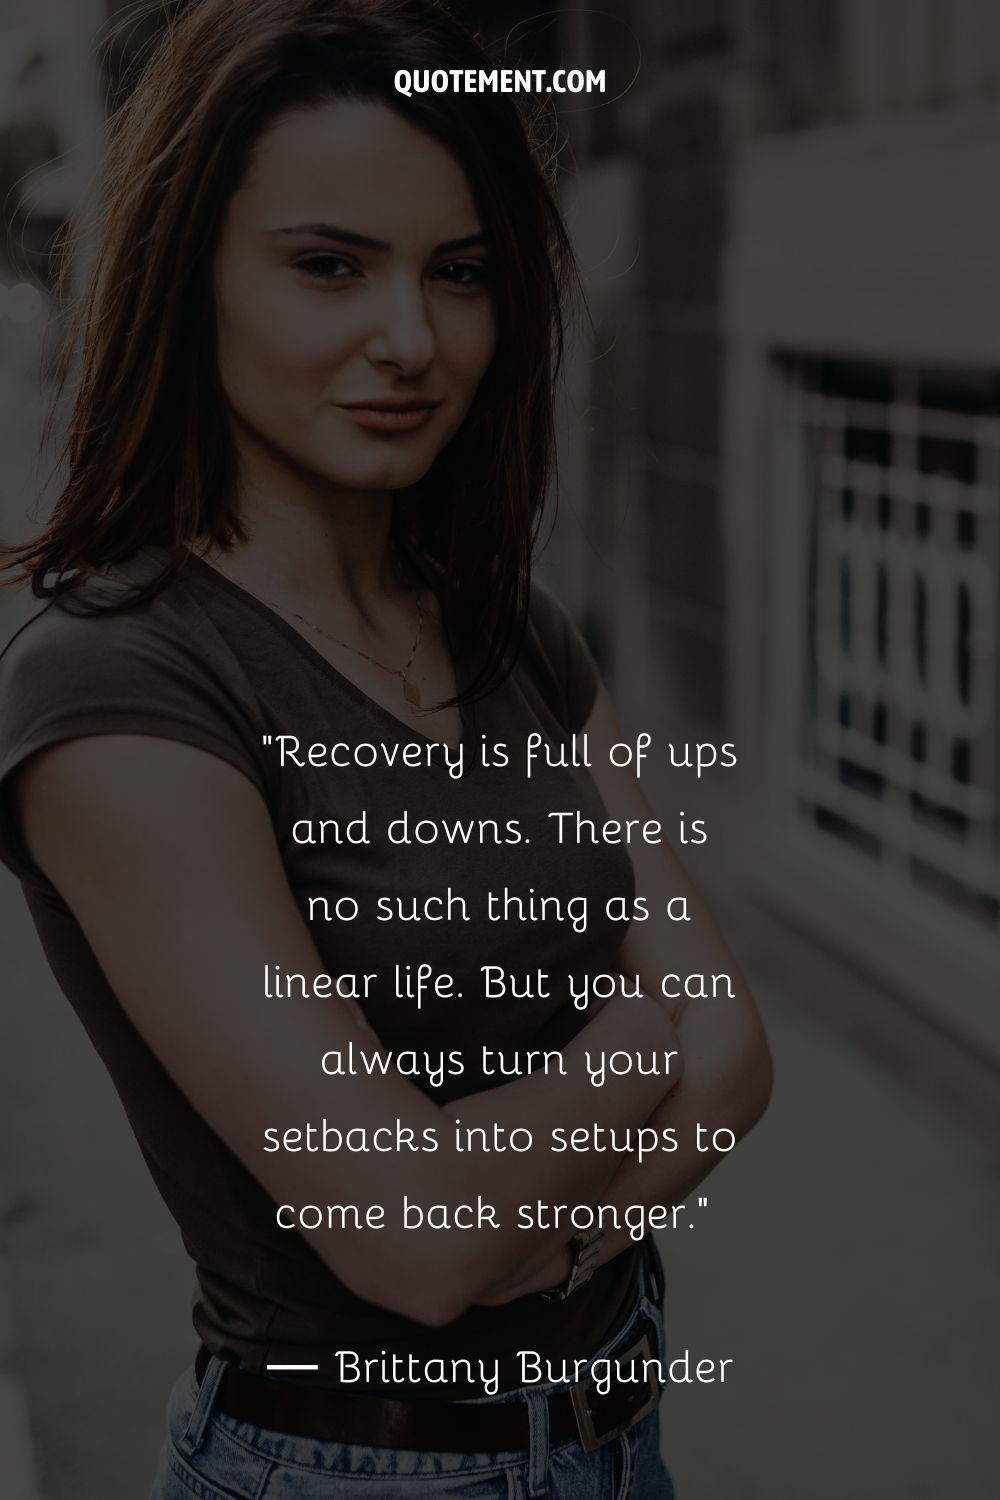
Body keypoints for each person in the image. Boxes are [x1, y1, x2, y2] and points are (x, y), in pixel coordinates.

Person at [0, 2, 772, 1495]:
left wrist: (513, 1218)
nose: (411, 339)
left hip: (621, 1436)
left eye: (461, 273)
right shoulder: (119, 683)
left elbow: (737, 1053)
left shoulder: (512, 629)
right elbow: (418, 1249)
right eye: (329, 267)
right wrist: (640, 1034)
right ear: (189, 280)